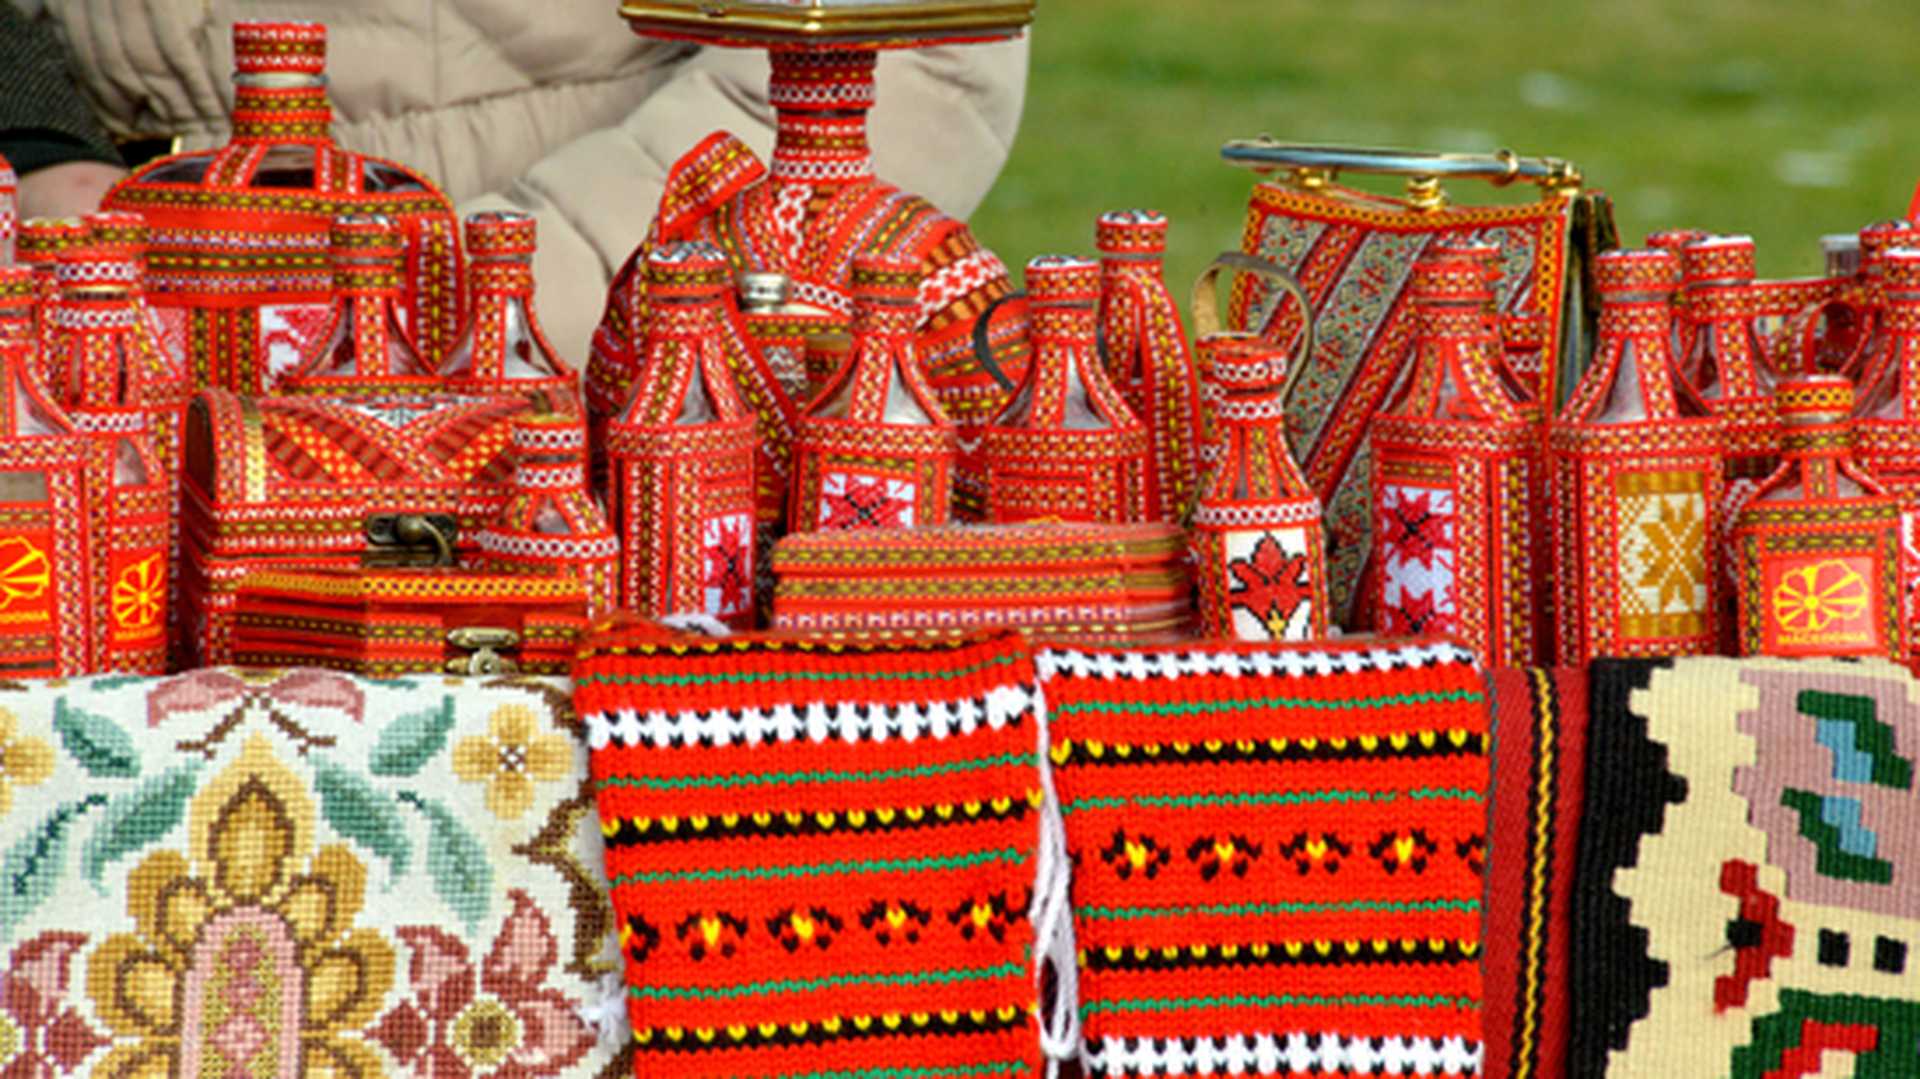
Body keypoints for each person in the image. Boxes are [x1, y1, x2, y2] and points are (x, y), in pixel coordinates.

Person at [0, 0, 1028, 362]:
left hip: (577, 386)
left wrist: (480, 311)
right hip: (78, 330)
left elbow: (898, 47)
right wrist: (35, 140)